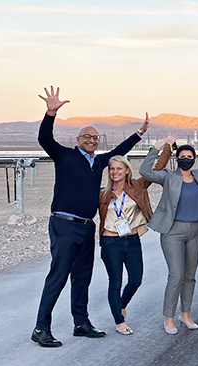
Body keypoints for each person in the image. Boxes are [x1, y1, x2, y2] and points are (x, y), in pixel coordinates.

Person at [32, 87, 148, 348]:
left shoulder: (100, 162)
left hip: (87, 227)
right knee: (59, 275)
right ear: (78, 138)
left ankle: (80, 322)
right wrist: (51, 113)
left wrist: (139, 133)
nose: (92, 140)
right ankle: (41, 327)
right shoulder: (65, 156)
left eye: (95, 138)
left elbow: (121, 150)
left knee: (82, 276)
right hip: (64, 224)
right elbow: (44, 139)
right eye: (87, 136)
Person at [141, 138, 198, 334]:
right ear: (177, 159)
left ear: (194, 159)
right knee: (176, 275)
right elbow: (145, 172)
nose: (186, 159)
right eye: (182, 157)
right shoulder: (168, 176)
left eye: (189, 157)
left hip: (196, 231)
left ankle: (186, 314)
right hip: (173, 231)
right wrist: (156, 148)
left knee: (190, 276)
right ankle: (169, 318)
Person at [98, 143, 170, 335]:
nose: (115, 172)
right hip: (110, 241)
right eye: (112, 169)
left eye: (119, 168)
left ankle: (120, 305)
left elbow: (157, 169)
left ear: (127, 170)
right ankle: (119, 321)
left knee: (136, 279)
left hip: (131, 240)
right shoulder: (103, 193)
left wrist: (164, 148)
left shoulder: (137, 186)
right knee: (115, 282)